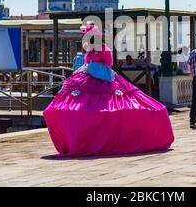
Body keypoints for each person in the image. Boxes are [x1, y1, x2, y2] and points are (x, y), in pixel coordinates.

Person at [43, 23, 174, 157]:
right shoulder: (94, 50)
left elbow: (105, 63)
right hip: (92, 76)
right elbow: (105, 62)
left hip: (101, 77)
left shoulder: (100, 49)